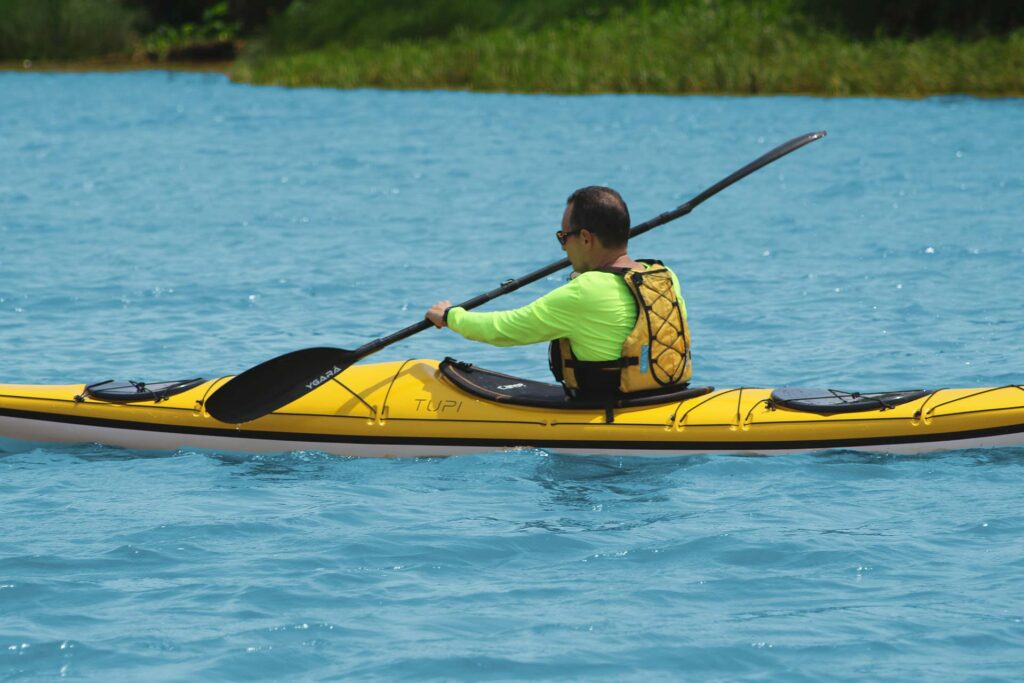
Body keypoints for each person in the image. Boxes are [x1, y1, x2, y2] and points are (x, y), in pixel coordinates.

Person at [425, 186, 692, 397]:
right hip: (664, 392)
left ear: (586, 238)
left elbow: (505, 329)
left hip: (607, 404)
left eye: (564, 237)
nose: (563, 248)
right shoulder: (661, 275)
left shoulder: (583, 291)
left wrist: (450, 317)